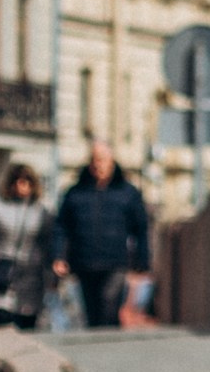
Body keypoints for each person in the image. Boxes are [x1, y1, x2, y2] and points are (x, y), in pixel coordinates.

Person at [51, 140, 151, 329]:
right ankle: (96, 351)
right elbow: (61, 227)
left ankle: (109, 348)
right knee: (91, 315)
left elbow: (141, 228)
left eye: (102, 160)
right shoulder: (75, 193)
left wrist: (143, 261)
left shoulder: (128, 193)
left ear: (112, 162)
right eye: (95, 160)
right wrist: (58, 256)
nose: (98, 165)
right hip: (84, 263)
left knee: (109, 306)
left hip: (115, 263)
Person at [0, 163, 55, 329]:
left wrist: (52, 276)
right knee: (2, 319)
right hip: (3, 271)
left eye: (26, 182)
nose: (21, 187)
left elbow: (49, 243)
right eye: (17, 182)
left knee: (27, 322)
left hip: (31, 276)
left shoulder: (43, 210)